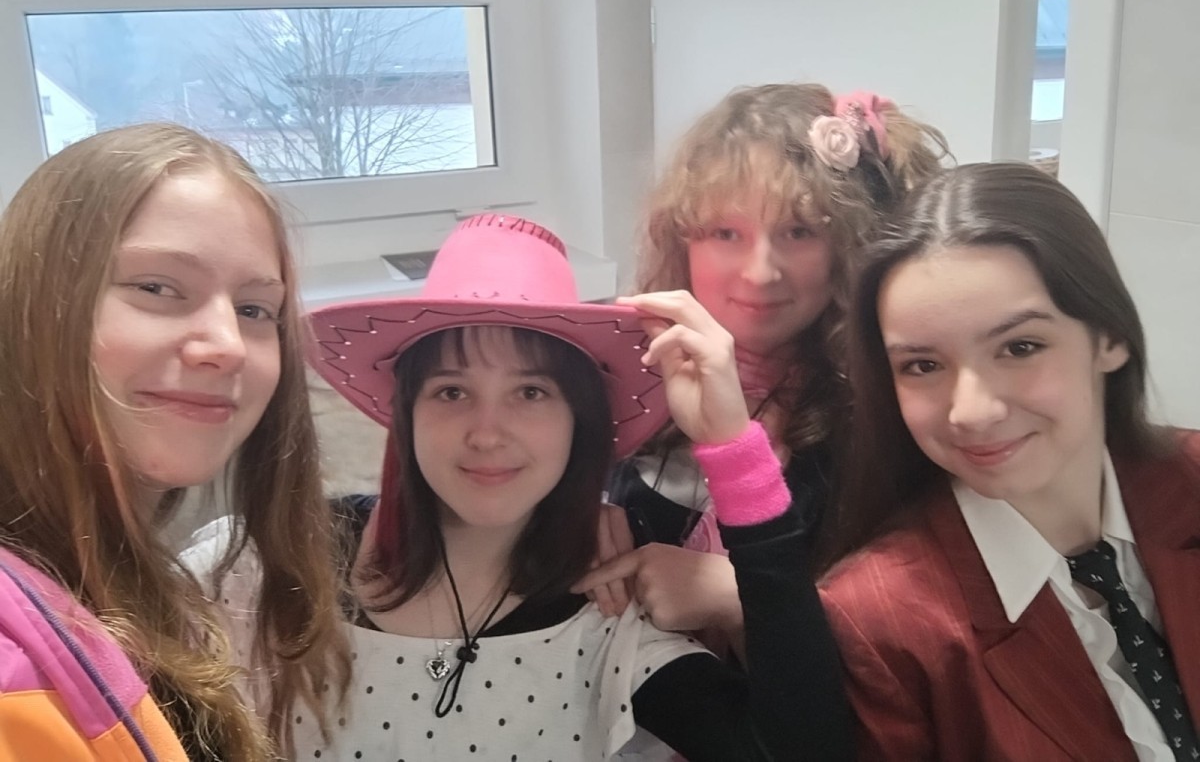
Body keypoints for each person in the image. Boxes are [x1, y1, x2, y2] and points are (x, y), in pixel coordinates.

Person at [189, 212, 853, 760]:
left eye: (530, 392)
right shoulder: (273, 564)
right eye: (452, 391)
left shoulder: (609, 622)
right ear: (407, 413)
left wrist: (734, 452)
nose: (487, 433)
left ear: (578, 421)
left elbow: (806, 751)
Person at [820, 162, 1200, 760]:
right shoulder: (882, 622)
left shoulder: (1188, 480)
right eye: (923, 365)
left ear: (1109, 337)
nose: (971, 412)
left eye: (1020, 347)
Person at [0, 124, 348, 761]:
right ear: (33, 308)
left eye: (254, 309)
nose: (227, 345)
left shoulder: (146, 588)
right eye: (157, 288)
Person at [598, 83, 950, 649]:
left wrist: (745, 602)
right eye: (726, 233)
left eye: (799, 231)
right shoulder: (624, 375)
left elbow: (917, 635)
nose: (760, 272)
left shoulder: (883, 420)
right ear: (681, 242)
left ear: (849, 245)